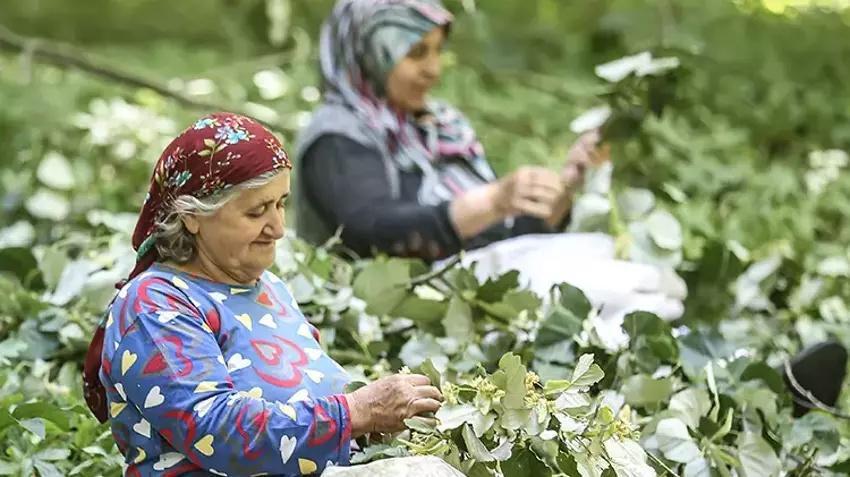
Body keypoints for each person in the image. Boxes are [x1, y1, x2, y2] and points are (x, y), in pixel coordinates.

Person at [295, 0, 685, 338]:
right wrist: (494, 200)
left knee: (650, 282)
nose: (433, 69)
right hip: (408, 307)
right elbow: (371, 233)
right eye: (416, 53)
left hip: (475, 289)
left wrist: (563, 188)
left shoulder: (440, 126)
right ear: (370, 51)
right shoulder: (337, 135)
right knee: (621, 290)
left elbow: (497, 238)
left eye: (436, 51)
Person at [82, 112, 443, 476]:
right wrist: (357, 411)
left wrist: (376, 428)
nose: (278, 228)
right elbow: (217, 432)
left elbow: (313, 400)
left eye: (281, 203)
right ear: (192, 216)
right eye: (256, 212)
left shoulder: (270, 288)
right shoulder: (153, 305)